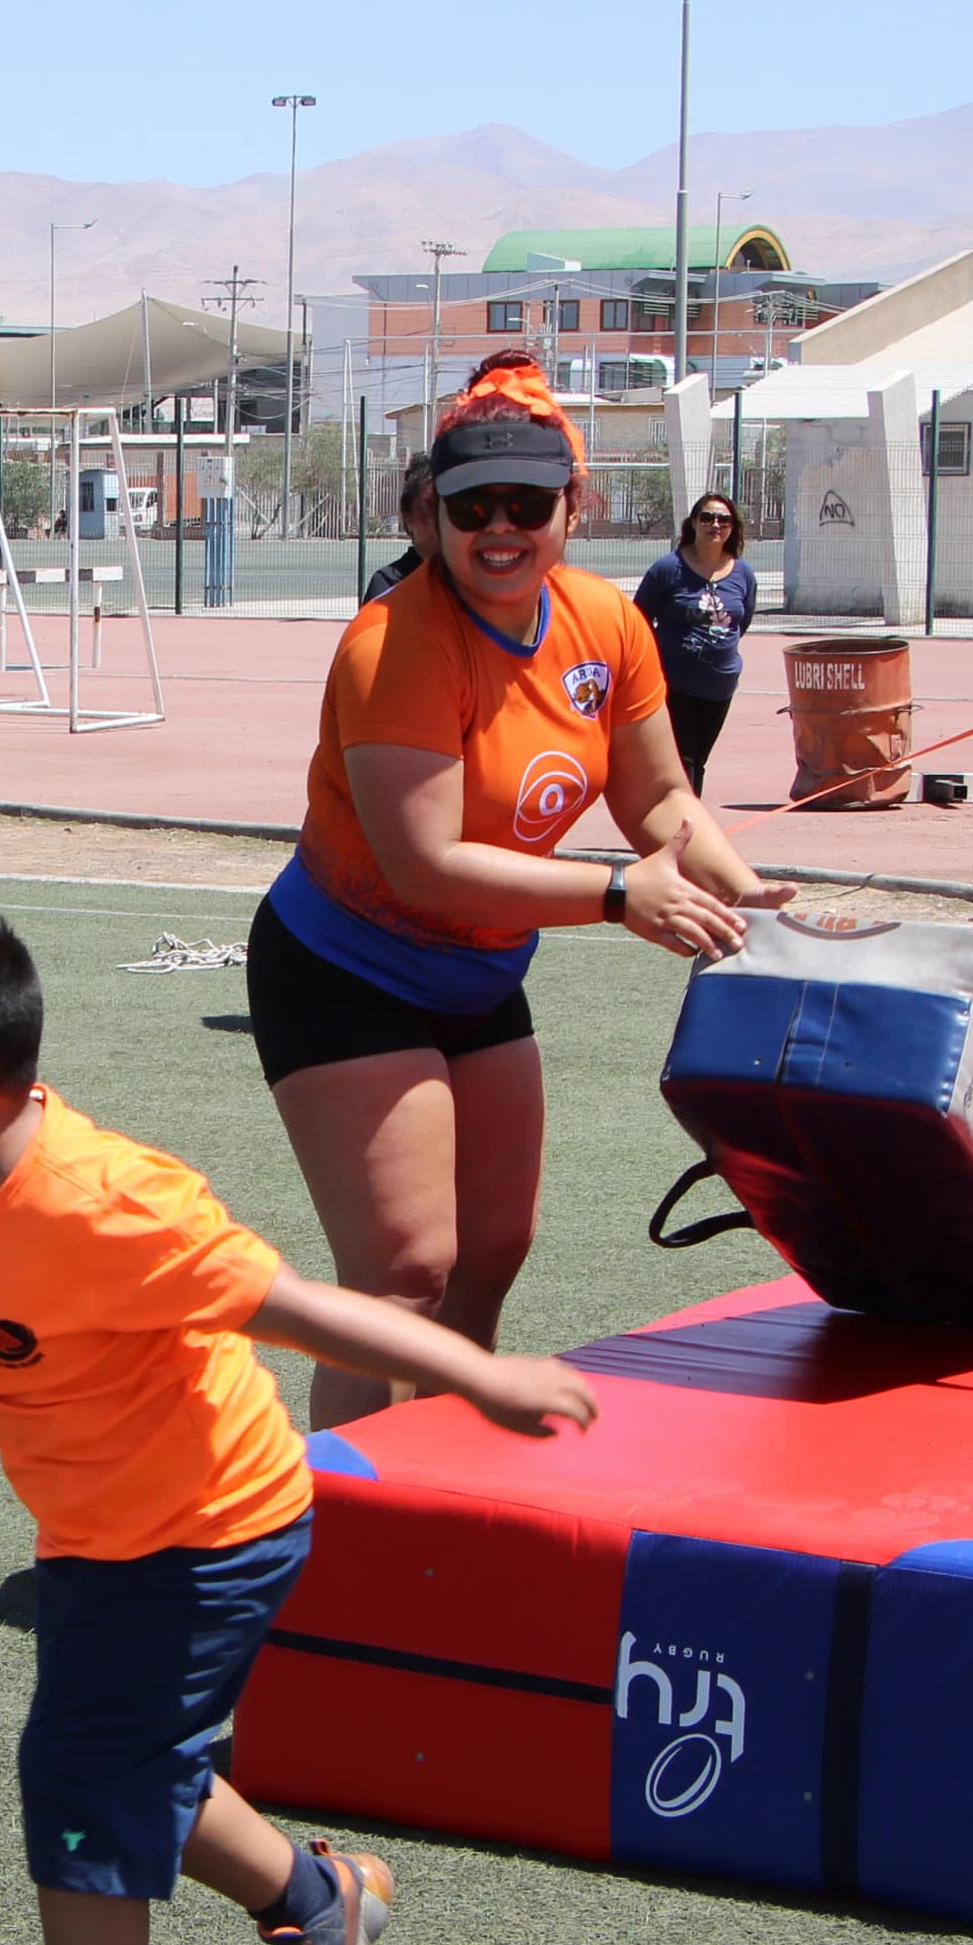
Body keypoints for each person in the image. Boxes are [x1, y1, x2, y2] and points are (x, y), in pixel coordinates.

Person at [0, 901, 598, 1945]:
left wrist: (481, 1377)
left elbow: (303, 1310)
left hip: (204, 1534)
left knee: (84, 1768)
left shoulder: (112, 1203)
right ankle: (314, 1898)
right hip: (101, 1533)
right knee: (136, 1766)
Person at [250, 351, 786, 1426]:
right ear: (432, 518)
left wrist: (763, 907)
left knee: (491, 1253)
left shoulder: (605, 622)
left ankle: (441, 1511)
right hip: (344, 967)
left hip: (479, 968)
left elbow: (663, 801)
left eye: (527, 504)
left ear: (572, 506)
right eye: (472, 506)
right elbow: (424, 864)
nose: (500, 527)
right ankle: (351, 1540)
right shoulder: (391, 645)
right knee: (404, 1268)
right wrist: (616, 897)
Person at [632, 491, 758, 796]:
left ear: (733, 527)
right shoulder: (668, 569)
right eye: (707, 517)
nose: (715, 525)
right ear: (694, 523)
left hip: (719, 684)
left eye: (723, 519)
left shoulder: (743, 573)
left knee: (698, 759)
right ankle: (685, 827)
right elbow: (638, 619)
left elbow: (741, 622)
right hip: (675, 682)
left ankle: (686, 822)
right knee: (683, 758)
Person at [358, 450, 432, 605]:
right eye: (428, 510)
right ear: (407, 519)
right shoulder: (387, 584)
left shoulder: (473, 585)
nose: (439, 521)